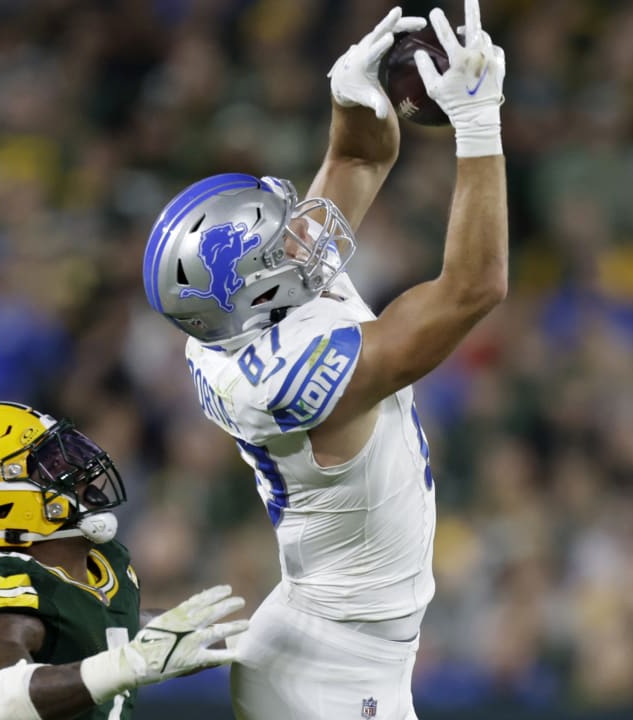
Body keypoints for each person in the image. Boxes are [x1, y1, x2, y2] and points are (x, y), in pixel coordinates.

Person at [141, 1, 507, 717]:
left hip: (327, 638)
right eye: (275, 246)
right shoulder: (289, 370)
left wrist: (351, 94)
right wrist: (480, 123)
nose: (297, 235)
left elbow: (358, 158)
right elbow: (474, 288)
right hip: (336, 670)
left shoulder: (239, 312)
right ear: (253, 289)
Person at [0, 401, 248, 720]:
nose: (80, 471)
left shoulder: (102, 566)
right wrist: (125, 665)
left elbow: (106, 633)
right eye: (52, 464)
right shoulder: (2, 584)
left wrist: (245, 636)